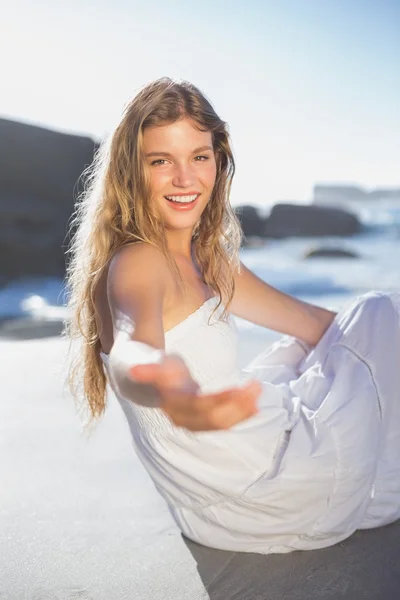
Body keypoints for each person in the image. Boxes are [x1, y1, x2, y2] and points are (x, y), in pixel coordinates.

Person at [65, 77, 400, 555]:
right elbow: (130, 349)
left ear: (218, 162)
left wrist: (368, 347)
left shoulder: (210, 261)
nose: (185, 178)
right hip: (269, 490)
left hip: (216, 511)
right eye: (161, 161)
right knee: (380, 311)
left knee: (360, 329)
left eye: (199, 157)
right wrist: (172, 390)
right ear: (130, 172)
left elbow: (316, 324)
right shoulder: (138, 261)